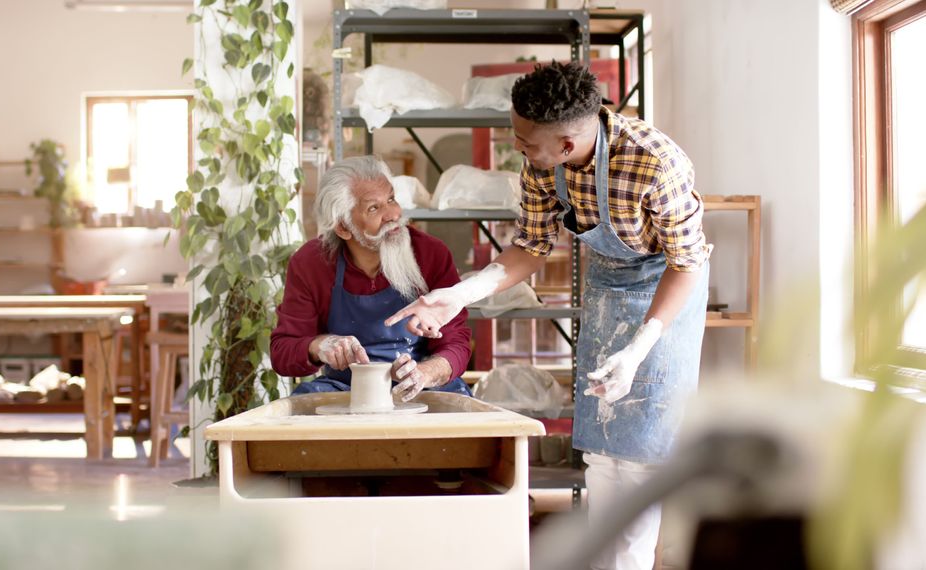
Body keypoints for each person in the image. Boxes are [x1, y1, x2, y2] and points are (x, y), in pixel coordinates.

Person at [386, 61, 711, 570]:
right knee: (602, 448)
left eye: (525, 141)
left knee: (644, 453)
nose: (518, 147)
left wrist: (640, 346)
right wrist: (459, 293)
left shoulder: (655, 162)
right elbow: (531, 247)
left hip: (665, 291)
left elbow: (687, 264)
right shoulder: (543, 162)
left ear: (566, 144)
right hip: (608, 281)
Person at [270, 155, 472, 401]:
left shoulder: (430, 254)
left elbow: (457, 342)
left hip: (420, 388)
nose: (393, 214)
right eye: (374, 208)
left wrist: (426, 373)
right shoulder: (311, 263)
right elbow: (282, 353)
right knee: (299, 415)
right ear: (343, 227)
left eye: (391, 199)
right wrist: (320, 346)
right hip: (345, 389)